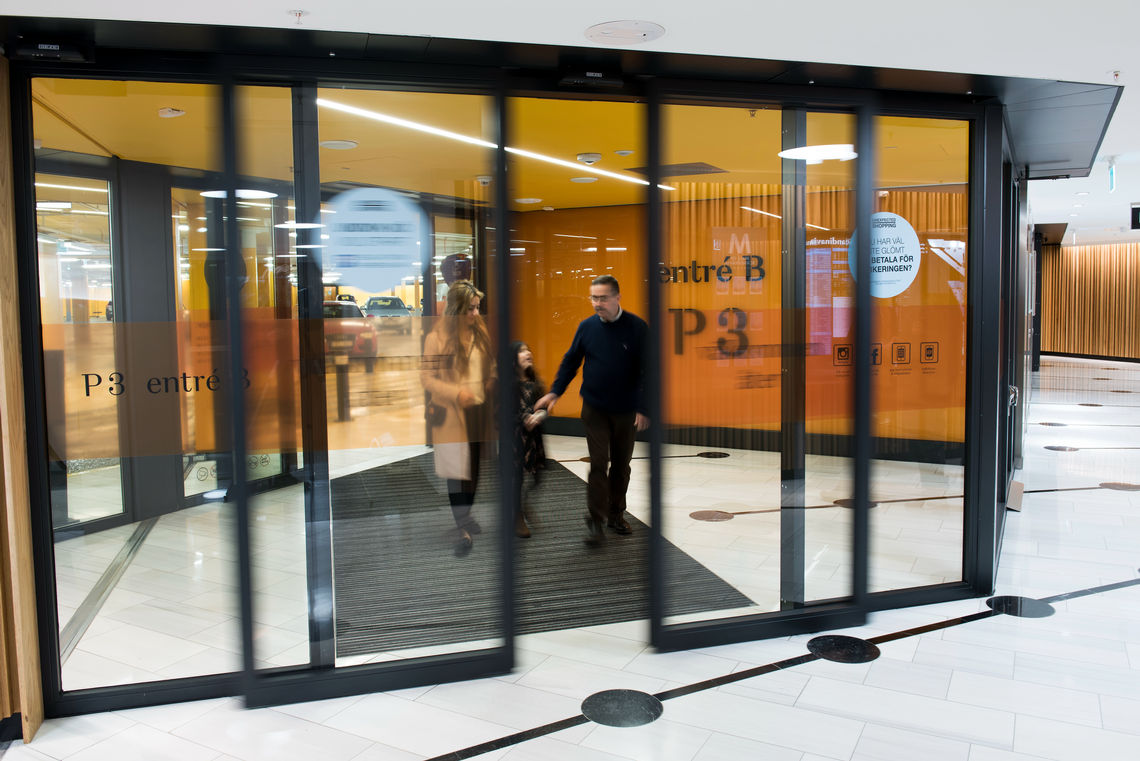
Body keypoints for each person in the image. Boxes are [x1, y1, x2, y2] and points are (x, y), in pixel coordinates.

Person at [535, 275, 649, 545]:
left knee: (621, 466)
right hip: (595, 408)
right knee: (599, 463)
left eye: (603, 298)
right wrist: (555, 391)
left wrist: (644, 408)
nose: (597, 304)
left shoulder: (637, 328)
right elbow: (571, 360)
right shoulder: (587, 327)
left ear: (617, 297)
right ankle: (595, 521)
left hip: (625, 411)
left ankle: (616, 515)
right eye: (593, 298)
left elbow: (651, 370)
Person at [421, 280, 495, 556]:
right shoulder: (436, 338)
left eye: (477, 308)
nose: (475, 314)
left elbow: (491, 362)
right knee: (456, 472)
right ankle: (461, 522)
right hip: (453, 413)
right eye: (470, 309)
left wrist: (492, 378)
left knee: (473, 469)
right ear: (456, 310)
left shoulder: (480, 332)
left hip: (477, 410)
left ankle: (466, 515)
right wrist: (456, 392)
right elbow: (426, 378)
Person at [509, 341, 548, 539]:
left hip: (533, 440)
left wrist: (539, 415)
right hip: (516, 440)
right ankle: (517, 516)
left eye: (528, 350)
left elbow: (544, 407)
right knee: (516, 478)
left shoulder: (535, 384)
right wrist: (524, 418)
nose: (528, 353)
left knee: (537, 478)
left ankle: (522, 505)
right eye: (522, 351)